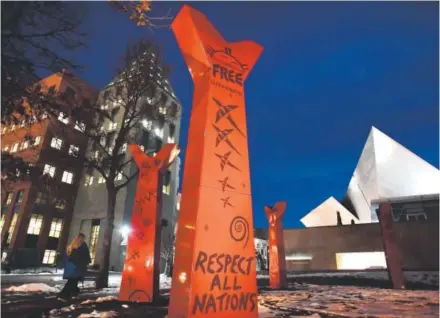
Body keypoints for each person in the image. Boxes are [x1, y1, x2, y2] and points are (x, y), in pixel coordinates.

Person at [58, 233, 91, 301]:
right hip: (75, 266)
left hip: (74, 266)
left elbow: (67, 256)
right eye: (80, 238)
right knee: (72, 281)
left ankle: (72, 293)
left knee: (73, 281)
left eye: (82, 238)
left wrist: (63, 264)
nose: (81, 240)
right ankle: (64, 295)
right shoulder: (78, 246)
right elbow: (85, 256)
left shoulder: (74, 245)